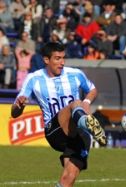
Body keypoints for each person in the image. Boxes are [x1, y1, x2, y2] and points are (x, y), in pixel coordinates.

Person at [11, 42, 107, 187]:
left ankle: (86, 124)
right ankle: (87, 123)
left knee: (68, 178)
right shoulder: (34, 78)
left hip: (79, 135)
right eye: (57, 58)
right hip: (55, 131)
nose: (62, 62)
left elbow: (92, 90)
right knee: (75, 103)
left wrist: (86, 102)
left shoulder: (75, 74)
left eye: (63, 58)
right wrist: (18, 106)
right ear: (46, 60)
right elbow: (14, 113)